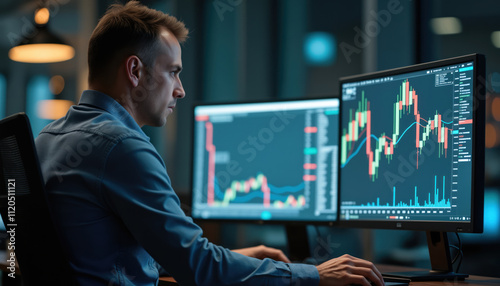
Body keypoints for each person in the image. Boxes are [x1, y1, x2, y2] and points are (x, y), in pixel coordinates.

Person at [35, 1, 385, 285]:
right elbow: (197, 268)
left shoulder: (47, 140)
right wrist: (313, 274)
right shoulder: (121, 145)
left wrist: (231, 259)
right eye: (173, 71)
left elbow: (99, 257)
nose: (180, 89)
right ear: (135, 71)